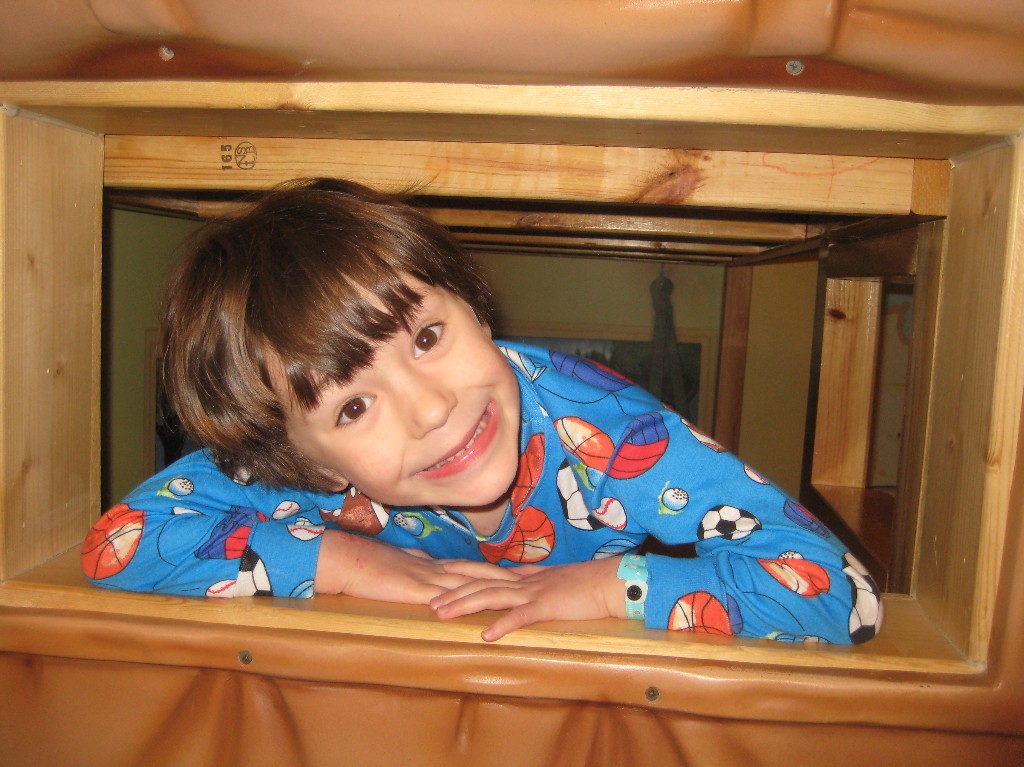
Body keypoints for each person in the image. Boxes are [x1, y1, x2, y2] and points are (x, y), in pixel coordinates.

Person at [82, 178, 883, 645]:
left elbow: (843, 592)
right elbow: (122, 543)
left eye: (427, 336)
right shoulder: (299, 466)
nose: (432, 408)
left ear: (470, 300)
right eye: (353, 405)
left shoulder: (605, 430)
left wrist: (608, 587)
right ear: (307, 462)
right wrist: (354, 565)